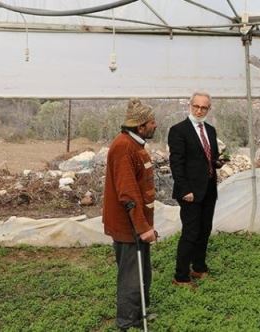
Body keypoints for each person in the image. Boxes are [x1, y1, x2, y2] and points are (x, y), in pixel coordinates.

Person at [103, 98, 159, 330]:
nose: (155, 125)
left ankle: (138, 315)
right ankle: (126, 322)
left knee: (142, 272)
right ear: (140, 126)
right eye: (151, 122)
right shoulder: (124, 147)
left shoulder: (136, 144)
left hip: (139, 223)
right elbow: (128, 194)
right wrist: (143, 228)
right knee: (131, 276)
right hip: (129, 226)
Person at [168, 91, 223, 286]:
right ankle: (181, 276)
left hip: (208, 188)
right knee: (191, 233)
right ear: (190, 106)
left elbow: (209, 158)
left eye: (204, 107)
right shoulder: (178, 130)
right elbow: (176, 163)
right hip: (190, 191)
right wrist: (184, 190)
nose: (199, 110)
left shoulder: (210, 130)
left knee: (205, 229)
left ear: (209, 108)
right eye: (196, 106)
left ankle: (199, 267)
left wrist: (218, 162)